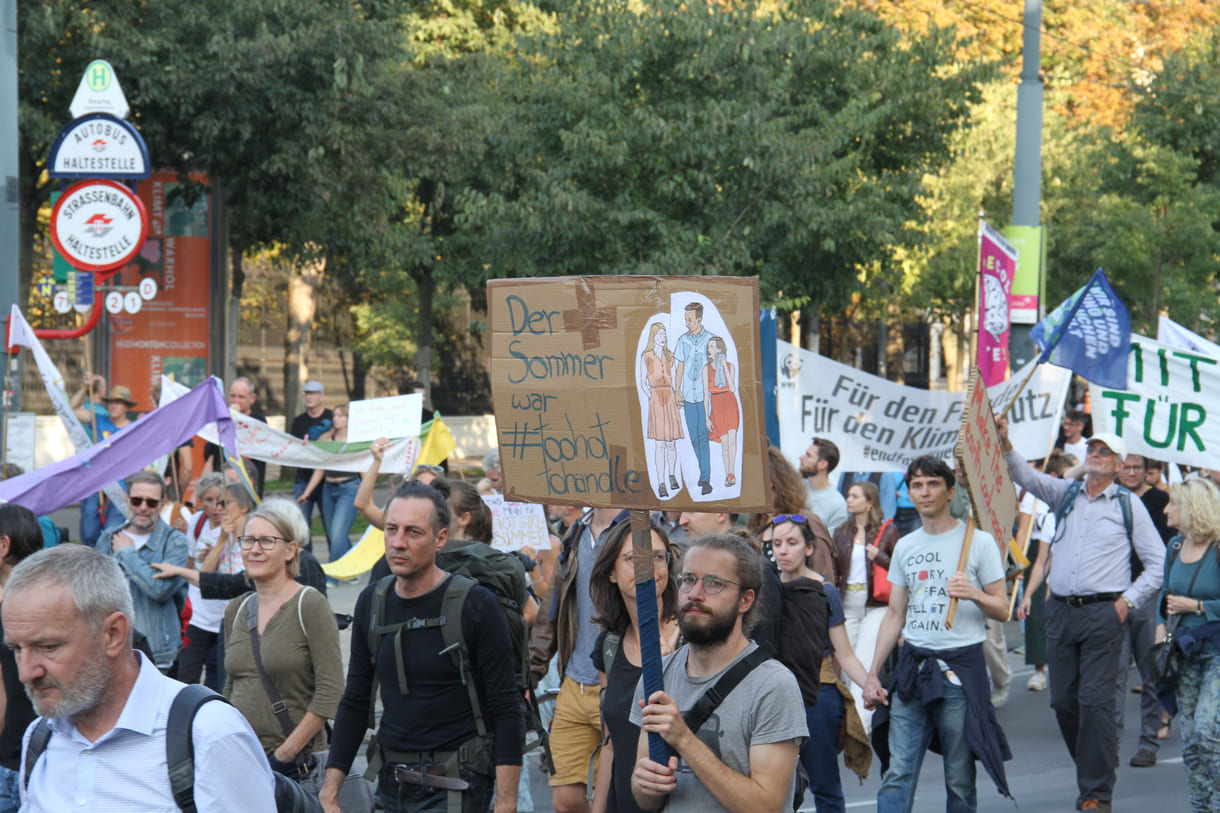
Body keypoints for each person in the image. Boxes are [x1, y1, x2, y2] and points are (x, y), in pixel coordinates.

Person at [4, 545, 275, 811]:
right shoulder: (39, 738)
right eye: (16, 649)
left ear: (113, 634)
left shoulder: (209, 736)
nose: (26, 672)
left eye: (48, 647)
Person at [319, 481, 522, 813]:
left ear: (440, 538)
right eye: (391, 529)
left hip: (457, 786)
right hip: (390, 785)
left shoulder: (476, 604)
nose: (399, 542)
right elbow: (356, 699)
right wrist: (330, 790)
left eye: (413, 532)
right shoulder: (372, 601)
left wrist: (506, 802)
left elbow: (505, 706)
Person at [1000, 422, 1163, 813]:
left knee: (1095, 703)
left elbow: (1158, 563)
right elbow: (1024, 475)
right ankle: (1098, 764)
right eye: (1092, 447)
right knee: (1064, 703)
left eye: (1104, 451)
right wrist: (1005, 442)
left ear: (1120, 464)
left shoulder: (1128, 504)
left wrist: (1127, 601)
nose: (1095, 453)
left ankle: (1095, 792)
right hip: (1061, 613)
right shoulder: (1066, 493)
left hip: (1103, 615)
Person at [863, 455, 1012, 813]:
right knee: (898, 770)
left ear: (950, 490)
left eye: (933, 483)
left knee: (959, 777)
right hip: (913, 669)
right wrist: (872, 673)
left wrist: (974, 593)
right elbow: (895, 615)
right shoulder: (906, 546)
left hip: (960, 671)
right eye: (917, 485)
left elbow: (1003, 609)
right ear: (909, 492)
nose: (924, 491)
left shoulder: (979, 542)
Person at [629, 533, 807, 813]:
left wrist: (684, 739)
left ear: (745, 600)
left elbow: (765, 807)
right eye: (688, 579)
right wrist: (645, 784)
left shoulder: (773, 685)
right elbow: (647, 800)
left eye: (714, 584)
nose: (695, 594)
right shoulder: (656, 676)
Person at [222, 499, 344, 777]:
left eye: (266, 541)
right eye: (248, 540)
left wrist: (284, 756)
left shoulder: (309, 604)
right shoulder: (236, 609)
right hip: (242, 761)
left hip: (296, 767)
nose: (254, 549)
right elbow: (231, 685)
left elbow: (331, 691)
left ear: (290, 550)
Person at [771, 514, 871, 813]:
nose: (783, 550)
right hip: (774, 699)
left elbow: (845, 654)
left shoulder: (825, 591)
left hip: (818, 697)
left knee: (825, 786)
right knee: (775, 789)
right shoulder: (766, 589)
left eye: (792, 543)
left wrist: (871, 686)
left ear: (809, 549)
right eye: (777, 543)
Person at [529, 506, 625, 813]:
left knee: (617, 796)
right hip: (575, 682)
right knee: (566, 800)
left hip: (622, 684)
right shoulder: (576, 532)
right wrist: (533, 669)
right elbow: (553, 606)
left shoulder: (638, 528)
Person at [589, 521, 681, 813]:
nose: (647, 568)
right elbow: (610, 742)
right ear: (612, 573)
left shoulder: (693, 639)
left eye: (656, 557)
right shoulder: (608, 647)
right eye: (633, 559)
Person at [1156, 478, 1220, 812]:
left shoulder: (1219, 547)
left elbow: (1185, 602)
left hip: (1217, 653)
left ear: (1193, 508)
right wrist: (1159, 636)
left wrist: (1197, 607)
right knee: (1191, 743)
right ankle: (1201, 808)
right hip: (1184, 652)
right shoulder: (1175, 547)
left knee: (1209, 732)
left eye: (1173, 503)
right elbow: (1165, 597)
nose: (1166, 509)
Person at [96, 471, 189, 672]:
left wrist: (127, 553)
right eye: (137, 500)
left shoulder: (175, 542)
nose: (143, 508)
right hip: (113, 651)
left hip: (157, 655)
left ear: (162, 504)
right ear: (128, 500)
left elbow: (160, 589)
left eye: (151, 502)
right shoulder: (109, 537)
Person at [1116, 453, 1174, 767]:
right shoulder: (1110, 498)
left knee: (1150, 672)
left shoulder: (1160, 500)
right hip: (1114, 595)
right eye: (1126, 466)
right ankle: (1108, 741)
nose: (1132, 472)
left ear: (1147, 472)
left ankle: (1149, 741)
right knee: (1113, 673)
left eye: (1138, 467)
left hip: (1149, 595)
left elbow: (1166, 553)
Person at [832, 479, 899, 731]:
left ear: (869, 502)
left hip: (875, 605)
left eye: (855, 496)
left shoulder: (888, 532)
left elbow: (901, 570)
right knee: (848, 668)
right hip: (847, 604)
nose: (849, 499)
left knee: (864, 661)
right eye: (848, 495)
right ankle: (857, 717)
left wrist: (879, 556)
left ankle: (861, 725)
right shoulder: (841, 532)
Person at [0, 506, 49, 812]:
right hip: (51, 755)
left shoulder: (8, 610)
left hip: (10, 763)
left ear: (3, 545)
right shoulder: (54, 596)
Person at [177, 473, 241, 689]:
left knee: (217, 680)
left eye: (222, 502)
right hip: (198, 615)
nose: (216, 507)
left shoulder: (236, 528)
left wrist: (219, 546)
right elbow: (193, 566)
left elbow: (213, 574)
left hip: (224, 617)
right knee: (186, 676)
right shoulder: (197, 521)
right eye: (209, 501)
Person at [1016, 452, 1072, 694]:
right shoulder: (1035, 499)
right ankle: (1039, 669)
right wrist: (1018, 564)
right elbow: (1026, 533)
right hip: (1039, 553)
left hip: (1069, 558)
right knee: (1036, 613)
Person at [71, 378, 136, 547]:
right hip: (96, 483)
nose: (113, 406)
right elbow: (72, 409)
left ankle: (107, 567)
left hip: (120, 487)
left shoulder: (134, 428)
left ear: (126, 407)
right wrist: (85, 388)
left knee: (111, 532)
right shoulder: (99, 419)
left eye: (118, 403)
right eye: (111, 402)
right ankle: (89, 564)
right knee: (89, 528)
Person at [300, 403, 360, 565]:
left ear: (349, 419)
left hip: (349, 488)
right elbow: (320, 468)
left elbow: (364, 468)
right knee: (335, 534)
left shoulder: (356, 440)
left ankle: (333, 574)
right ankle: (350, 566)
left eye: (341, 416)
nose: (336, 419)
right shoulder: (326, 438)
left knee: (338, 532)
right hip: (328, 489)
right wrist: (307, 492)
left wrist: (366, 496)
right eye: (335, 415)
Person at [673, 301, 713, 496]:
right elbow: (679, 367)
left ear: (698, 319)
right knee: (694, 439)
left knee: (703, 437)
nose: (687, 322)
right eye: (686, 319)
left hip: (705, 397)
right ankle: (703, 472)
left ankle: (705, 478)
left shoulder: (711, 340)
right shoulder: (683, 340)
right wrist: (676, 390)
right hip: (689, 394)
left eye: (689, 319)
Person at [204, 376, 268, 497]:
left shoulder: (258, 421)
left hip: (246, 488)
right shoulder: (221, 420)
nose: (236, 401)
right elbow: (211, 458)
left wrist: (234, 421)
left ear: (252, 398)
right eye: (233, 396)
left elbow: (246, 454)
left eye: (241, 397)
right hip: (220, 489)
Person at [639, 323, 683, 498]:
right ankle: (661, 482)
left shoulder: (670, 355)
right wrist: (649, 395)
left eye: (664, 334)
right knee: (659, 443)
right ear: (653, 336)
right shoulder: (647, 356)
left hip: (670, 397)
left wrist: (677, 393)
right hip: (656, 398)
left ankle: (672, 475)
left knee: (671, 442)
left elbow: (679, 372)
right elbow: (643, 381)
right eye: (659, 334)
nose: (662, 336)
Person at [290, 380, 334, 549]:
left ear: (322, 396)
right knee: (302, 528)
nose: (308, 396)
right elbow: (293, 448)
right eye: (306, 393)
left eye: (313, 393)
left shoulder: (332, 417)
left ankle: (337, 569)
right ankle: (306, 566)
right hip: (303, 479)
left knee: (331, 528)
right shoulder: (298, 421)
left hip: (328, 480)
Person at [703, 336, 740, 489]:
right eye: (708, 347)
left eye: (712, 346)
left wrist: (724, 366)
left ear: (719, 349)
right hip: (716, 405)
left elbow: (732, 388)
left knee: (732, 440)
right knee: (724, 443)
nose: (709, 350)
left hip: (729, 403)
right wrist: (707, 417)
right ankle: (728, 473)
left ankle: (731, 472)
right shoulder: (706, 369)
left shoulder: (730, 366)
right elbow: (706, 394)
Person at [799, 438, 848, 533]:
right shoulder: (795, 487)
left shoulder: (837, 505)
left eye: (808, 456)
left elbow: (829, 544)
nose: (801, 458)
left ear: (822, 464)